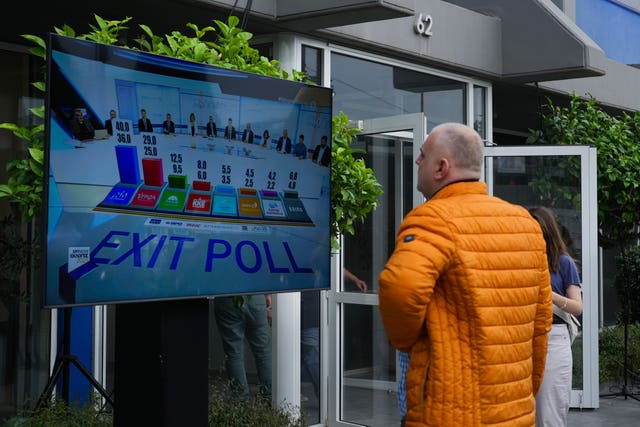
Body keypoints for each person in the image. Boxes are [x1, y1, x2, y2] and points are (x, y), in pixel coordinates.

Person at [377, 122, 552, 426]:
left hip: (451, 412)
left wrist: (407, 342)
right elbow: (541, 323)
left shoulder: (433, 218)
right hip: (514, 411)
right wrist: (525, 391)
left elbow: (400, 289)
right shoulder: (525, 223)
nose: (417, 161)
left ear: (441, 167)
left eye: (422, 155)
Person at [529, 206, 583, 427]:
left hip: (554, 339)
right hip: (523, 340)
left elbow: (577, 307)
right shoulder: (521, 260)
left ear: (545, 231)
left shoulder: (563, 263)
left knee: (550, 413)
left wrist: (548, 294)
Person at [300, 268, 367, 402]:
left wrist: (354, 279)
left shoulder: (317, 254)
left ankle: (327, 401)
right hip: (307, 315)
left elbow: (334, 264)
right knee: (311, 357)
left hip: (316, 314)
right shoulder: (304, 255)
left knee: (314, 357)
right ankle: (327, 401)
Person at [214, 294, 272, 401]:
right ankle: (270, 397)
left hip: (228, 297)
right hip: (255, 296)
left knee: (234, 353)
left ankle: (241, 401)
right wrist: (268, 294)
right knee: (263, 352)